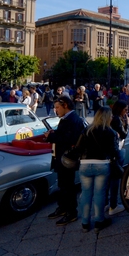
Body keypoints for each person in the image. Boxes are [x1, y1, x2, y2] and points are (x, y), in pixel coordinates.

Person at [71, 106, 116, 233]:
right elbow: (114, 152)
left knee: (85, 193)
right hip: (102, 164)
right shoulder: (110, 132)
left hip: (85, 164)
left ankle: (85, 223)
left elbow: (78, 148)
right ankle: (99, 221)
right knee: (99, 194)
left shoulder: (87, 130)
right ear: (107, 117)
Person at [43, 95, 84, 226]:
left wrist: (51, 137)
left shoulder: (73, 119)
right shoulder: (66, 119)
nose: (56, 110)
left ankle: (71, 212)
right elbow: (63, 135)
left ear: (65, 105)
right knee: (62, 185)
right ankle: (62, 208)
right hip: (61, 158)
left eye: (57, 107)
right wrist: (53, 133)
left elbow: (69, 140)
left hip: (67, 159)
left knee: (68, 186)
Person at [108, 101, 129, 216]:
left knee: (111, 177)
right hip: (118, 149)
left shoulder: (113, 118)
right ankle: (113, 204)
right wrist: (128, 123)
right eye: (125, 109)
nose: (126, 112)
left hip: (114, 149)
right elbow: (124, 134)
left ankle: (109, 203)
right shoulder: (117, 119)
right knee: (115, 177)